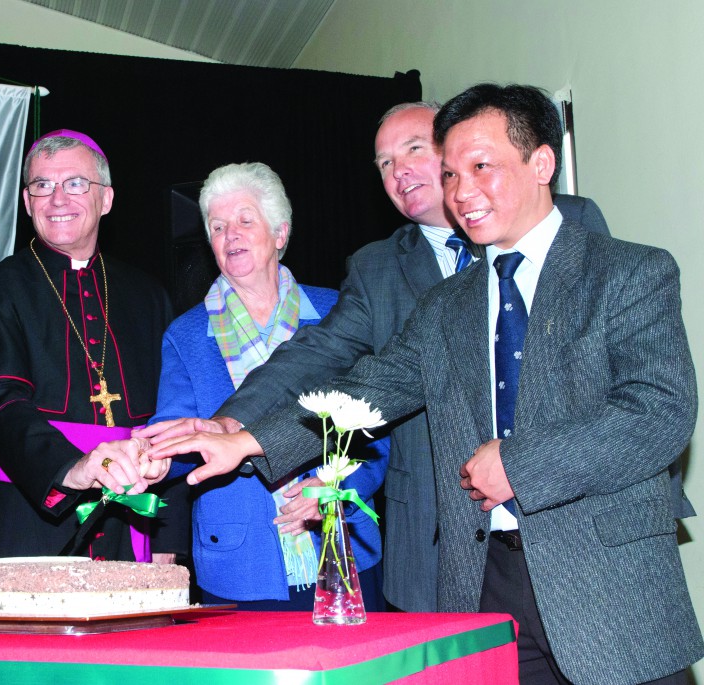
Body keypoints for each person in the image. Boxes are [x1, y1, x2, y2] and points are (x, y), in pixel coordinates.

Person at [145, 85, 703, 685]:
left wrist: (520, 465)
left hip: (606, 587)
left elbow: (659, 411)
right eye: (451, 173)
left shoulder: (631, 270)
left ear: (541, 163)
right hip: (483, 579)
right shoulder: (446, 305)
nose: (461, 192)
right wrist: (249, 440)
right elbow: (370, 386)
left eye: (480, 167)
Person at [150, 162, 388, 610]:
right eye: (218, 227)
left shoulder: (339, 313)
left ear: (280, 233)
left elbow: (378, 428)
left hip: (342, 549)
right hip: (241, 564)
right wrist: (156, 459)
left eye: (244, 220)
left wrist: (335, 489)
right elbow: (178, 436)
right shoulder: (185, 335)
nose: (230, 235)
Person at [0, 129, 175, 563]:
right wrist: (72, 468)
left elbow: (174, 419)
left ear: (107, 199)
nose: (58, 199)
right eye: (42, 185)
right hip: (29, 514)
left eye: (76, 183)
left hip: (134, 519)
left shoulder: (147, 295)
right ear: (28, 204)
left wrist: (170, 542)